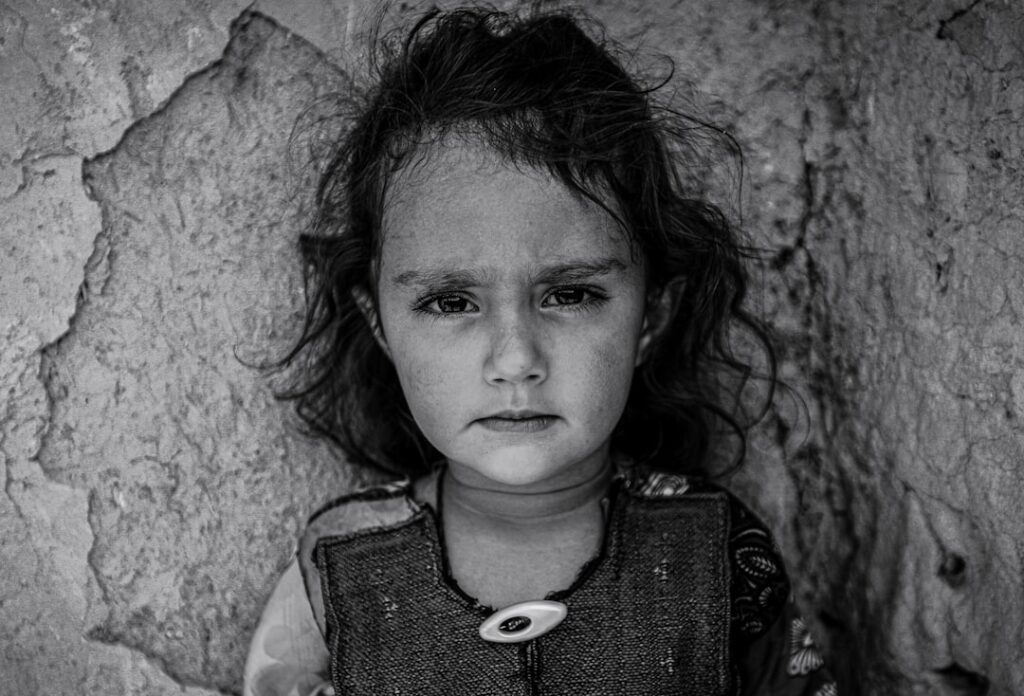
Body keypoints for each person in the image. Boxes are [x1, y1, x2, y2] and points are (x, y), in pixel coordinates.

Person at [243, 6, 837, 695]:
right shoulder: (339, 561)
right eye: (451, 302)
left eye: (570, 294)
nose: (516, 359)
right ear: (379, 323)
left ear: (651, 315)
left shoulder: (720, 553)